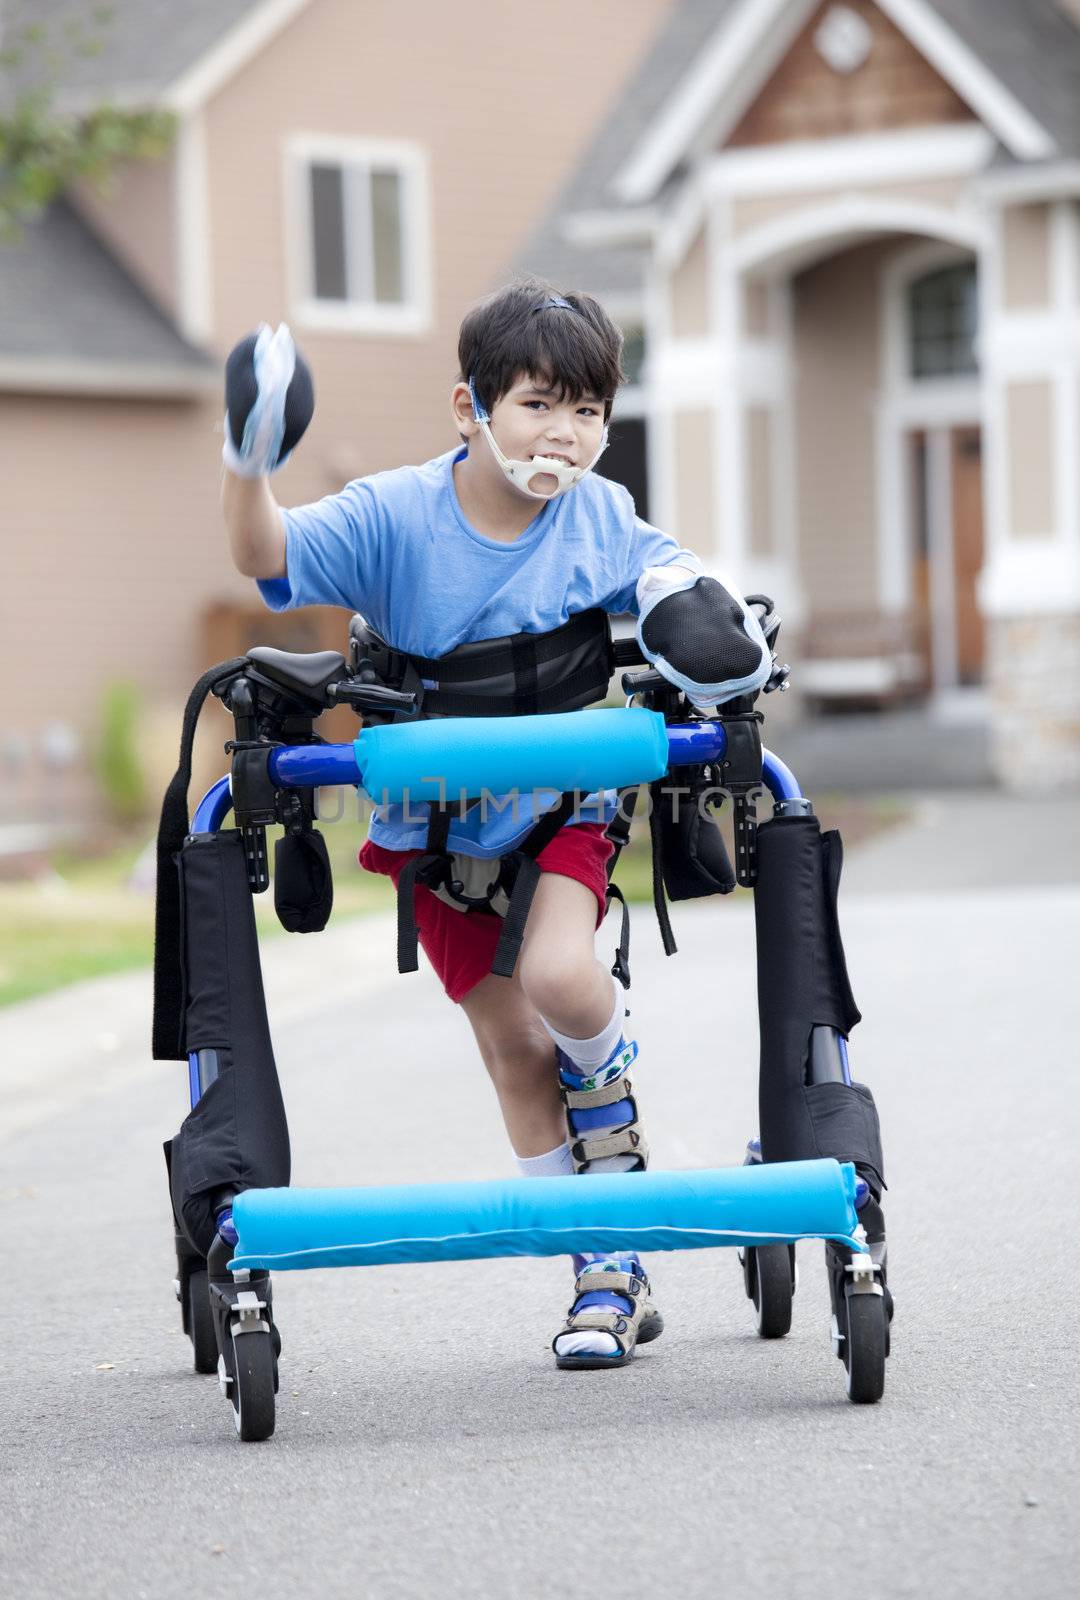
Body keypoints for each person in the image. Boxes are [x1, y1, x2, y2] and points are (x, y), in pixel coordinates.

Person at [220, 279, 771, 1368]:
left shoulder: (601, 516)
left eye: (588, 411)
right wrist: (248, 462)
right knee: (516, 1052)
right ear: (468, 408)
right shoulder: (392, 518)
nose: (564, 434)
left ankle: (611, 1215)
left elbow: (677, 584)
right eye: (537, 405)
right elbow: (267, 557)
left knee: (565, 982)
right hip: (437, 830)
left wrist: (702, 620)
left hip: (567, 803)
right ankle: (594, 1265)